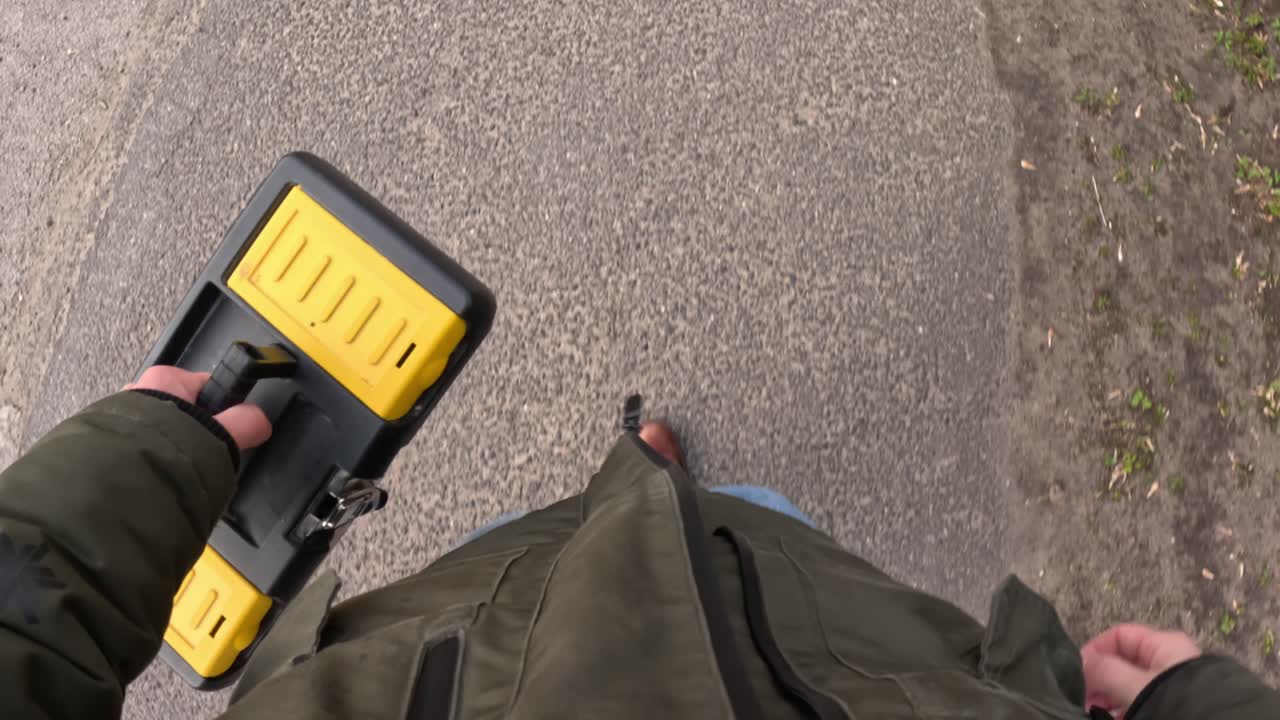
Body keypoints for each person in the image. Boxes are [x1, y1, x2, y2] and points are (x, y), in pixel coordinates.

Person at [0, 367, 1275, 719]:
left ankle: (636, 480)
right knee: (755, 537)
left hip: (439, 664)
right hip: (829, 664)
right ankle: (650, 483)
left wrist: (135, 467)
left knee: (529, 550)